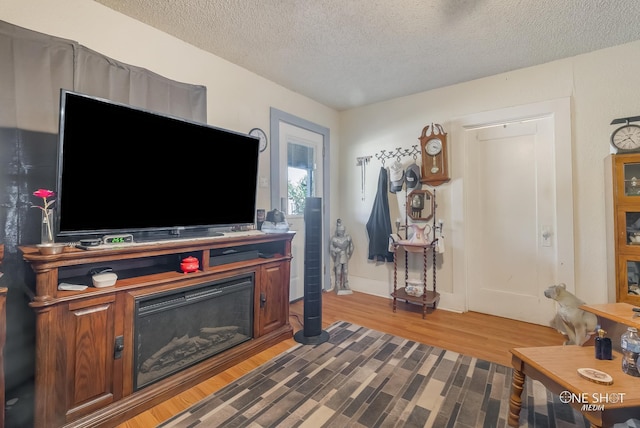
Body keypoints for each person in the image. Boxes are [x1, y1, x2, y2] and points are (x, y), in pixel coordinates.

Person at [330, 219, 354, 293]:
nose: (341, 232)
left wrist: (350, 252)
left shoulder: (347, 237)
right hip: (338, 256)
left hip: (345, 255)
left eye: (342, 231)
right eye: (340, 231)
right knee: (338, 271)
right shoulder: (334, 239)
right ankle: (338, 284)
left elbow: (351, 246)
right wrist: (335, 250)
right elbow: (331, 247)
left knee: (346, 271)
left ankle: (345, 283)